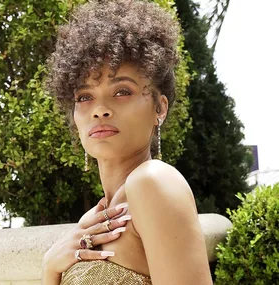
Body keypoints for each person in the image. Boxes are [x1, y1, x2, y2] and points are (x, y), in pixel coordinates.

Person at [42, 0, 213, 284]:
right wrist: (50, 268)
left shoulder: (153, 183)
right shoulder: (94, 219)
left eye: (122, 91)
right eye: (85, 96)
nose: (100, 109)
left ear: (159, 108)